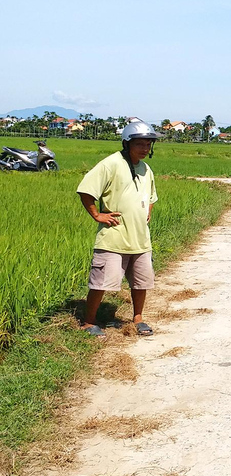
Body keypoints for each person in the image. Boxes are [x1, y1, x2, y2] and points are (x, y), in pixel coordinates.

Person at [76, 119, 160, 337]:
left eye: (148, 144)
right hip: (114, 236)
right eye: (140, 144)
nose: (145, 148)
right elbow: (86, 189)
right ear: (127, 143)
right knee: (101, 281)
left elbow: (151, 195)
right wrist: (97, 214)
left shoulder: (145, 168)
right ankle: (89, 321)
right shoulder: (111, 164)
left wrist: (148, 209)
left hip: (140, 238)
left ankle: (138, 318)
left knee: (141, 282)